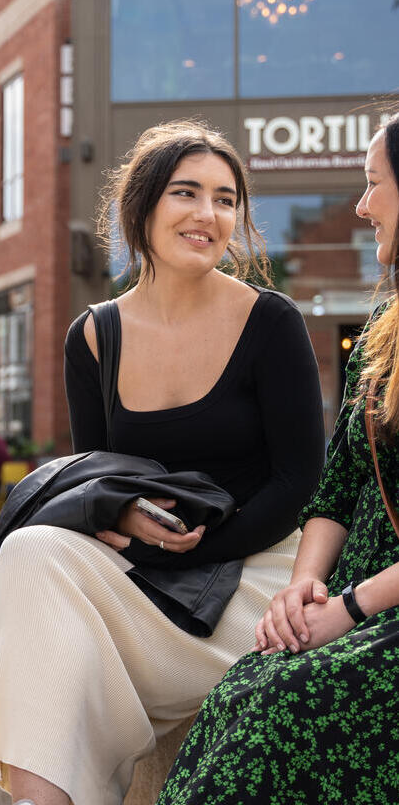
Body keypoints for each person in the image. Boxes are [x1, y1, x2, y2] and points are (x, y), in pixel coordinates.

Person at [0, 120, 326, 805]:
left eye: (226, 199)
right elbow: (99, 477)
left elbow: (296, 482)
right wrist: (125, 514)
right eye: (186, 193)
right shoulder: (95, 337)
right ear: (142, 208)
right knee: (31, 550)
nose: (208, 215)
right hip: (146, 574)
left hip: (253, 580)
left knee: (51, 617)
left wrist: (191, 550)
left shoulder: (270, 321)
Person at [155, 112, 399, 805]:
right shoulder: (384, 336)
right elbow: (338, 487)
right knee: (245, 688)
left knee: (283, 705)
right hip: (358, 600)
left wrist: (349, 606)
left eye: (375, 184)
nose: (361, 206)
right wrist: (303, 587)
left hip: (379, 607)